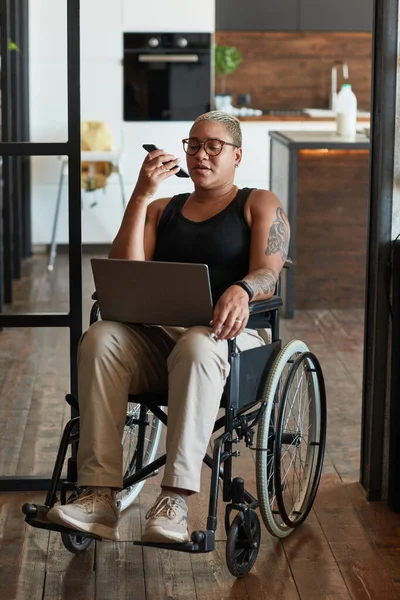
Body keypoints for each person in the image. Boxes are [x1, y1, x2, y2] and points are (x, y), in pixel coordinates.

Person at [47, 111, 290, 544]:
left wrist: (242, 289)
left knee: (199, 342)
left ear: (237, 155)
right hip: (163, 341)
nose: (201, 154)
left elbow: (269, 272)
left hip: (231, 343)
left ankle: (175, 500)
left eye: (214, 146)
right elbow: (123, 272)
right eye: (193, 145)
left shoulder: (259, 203)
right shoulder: (163, 209)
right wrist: (141, 194)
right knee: (101, 337)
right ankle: (100, 497)